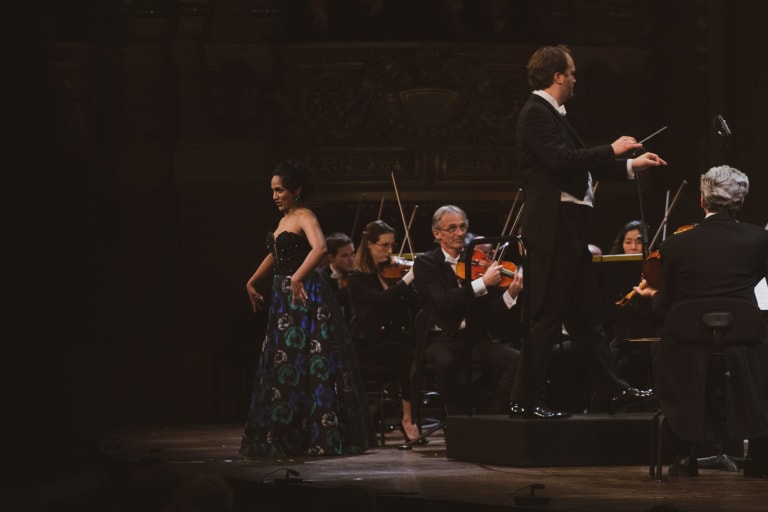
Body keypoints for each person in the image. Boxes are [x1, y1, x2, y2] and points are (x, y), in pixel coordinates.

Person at [510, 44, 666, 419]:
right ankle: (523, 400)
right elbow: (561, 161)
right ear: (557, 76)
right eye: (572, 73)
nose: (575, 79)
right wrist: (612, 149)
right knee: (547, 317)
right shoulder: (536, 113)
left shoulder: (552, 114)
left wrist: (630, 166)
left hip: (570, 227)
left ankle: (611, 390)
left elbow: (579, 164)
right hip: (555, 227)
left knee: (586, 317)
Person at [634, 165, 768, 477]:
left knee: (675, 346)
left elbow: (664, 307)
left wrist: (651, 295)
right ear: (741, 201)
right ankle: (760, 458)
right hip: (744, 342)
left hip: (688, 345)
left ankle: (684, 456)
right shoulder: (760, 240)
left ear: (702, 201)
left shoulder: (674, 245)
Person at [240, 160, 372, 457]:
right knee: (284, 362)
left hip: (303, 295)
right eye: (273, 190)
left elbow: (320, 247)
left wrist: (297, 277)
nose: (275, 196)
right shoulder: (283, 221)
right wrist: (252, 281)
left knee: (307, 360)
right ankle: (287, 435)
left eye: (280, 190)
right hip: (283, 297)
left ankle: (316, 435)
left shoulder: (304, 215)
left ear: (296, 190)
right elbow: (275, 254)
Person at [412, 205, 523, 416]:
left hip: (474, 338)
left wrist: (511, 294)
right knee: (446, 363)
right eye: (452, 228)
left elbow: (491, 312)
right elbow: (443, 302)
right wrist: (482, 283)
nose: (460, 233)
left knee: (517, 360)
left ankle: (491, 418)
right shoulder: (426, 263)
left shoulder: (477, 260)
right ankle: (456, 421)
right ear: (437, 234)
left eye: (463, 227)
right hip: (442, 339)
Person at [346, 219, 424, 446]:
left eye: (392, 245)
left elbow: (411, 304)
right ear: (369, 245)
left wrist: (413, 284)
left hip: (394, 338)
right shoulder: (357, 278)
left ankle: (414, 414)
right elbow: (381, 301)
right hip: (368, 343)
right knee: (410, 357)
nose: (390, 251)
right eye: (384, 246)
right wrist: (407, 279)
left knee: (422, 352)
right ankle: (408, 418)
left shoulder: (394, 271)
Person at [323, 231, 355, 321]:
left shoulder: (357, 275)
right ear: (331, 257)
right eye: (345, 256)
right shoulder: (322, 277)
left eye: (352, 254)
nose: (351, 260)